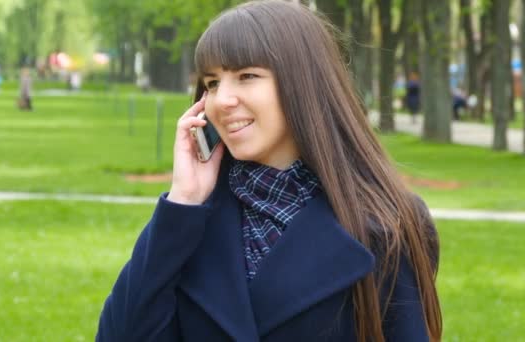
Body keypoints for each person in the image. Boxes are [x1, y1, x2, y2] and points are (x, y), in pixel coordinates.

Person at [96, 1, 441, 341]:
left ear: (304, 82)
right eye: (212, 82)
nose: (222, 99)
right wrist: (184, 200)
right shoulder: (189, 222)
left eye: (247, 76)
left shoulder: (388, 223)